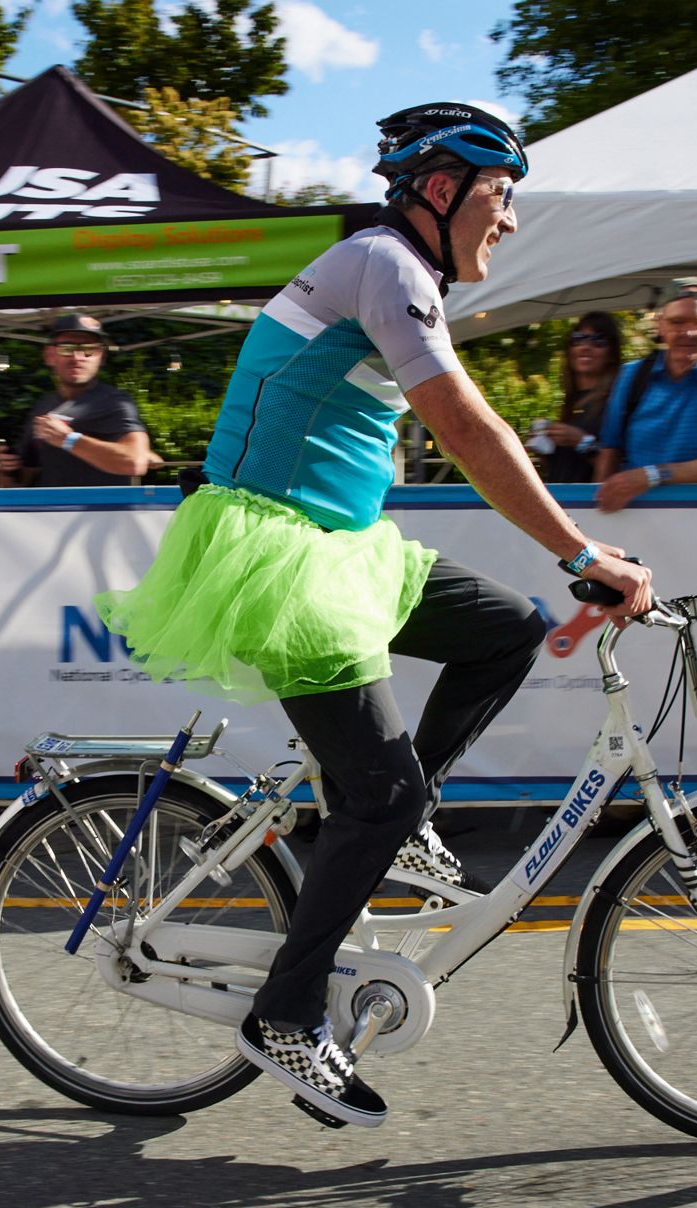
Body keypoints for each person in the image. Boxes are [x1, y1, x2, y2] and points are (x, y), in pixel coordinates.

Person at [95, 101, 652, 1129]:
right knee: (381, 794)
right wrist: (580, 551)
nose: (511, 220)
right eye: (499, 195)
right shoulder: (381, 263)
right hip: (275, 555)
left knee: (504, 630)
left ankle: (395, 827)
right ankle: (286, 1013)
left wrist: (567, 558)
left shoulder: (401, 273)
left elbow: (465, 426)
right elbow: (468, 427)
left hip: (336, 550)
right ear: (438, 191)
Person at [592, 277, 697, 512]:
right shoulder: (633, 375)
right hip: (632, 517)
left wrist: (651, 475)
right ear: (660, 325)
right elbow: (610, 450)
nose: (689, 332)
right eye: (677, 322)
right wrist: (599, 506)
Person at [0, 312, 160, 486]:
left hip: (103, 512)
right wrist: (7, 470)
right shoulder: (44, 406)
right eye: (67, 348)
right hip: (50, 512)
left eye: (89, 349)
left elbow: (134, 463)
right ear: (49, 355)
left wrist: (68, 439)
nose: (77, 357)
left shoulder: (116, 403)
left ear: (101, 356)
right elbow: (20, 485)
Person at [533, 312, 624, 484]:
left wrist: (582, 442)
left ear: (612, 353)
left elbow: (620, 466)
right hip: (563, 501)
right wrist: (543, 451)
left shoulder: (616, 401)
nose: (585, 346)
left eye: (598, 340)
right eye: (578, 338)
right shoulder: (571, 402)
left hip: (592, 505)